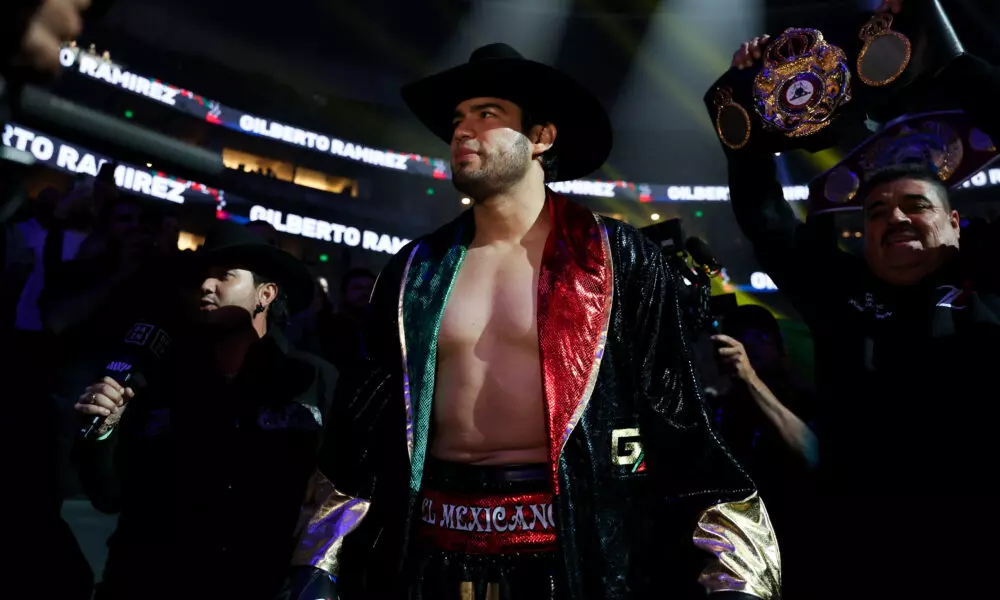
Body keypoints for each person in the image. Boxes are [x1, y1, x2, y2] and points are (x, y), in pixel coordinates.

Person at [285, 43, 780, 600]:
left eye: (487, 114)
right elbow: (360, 434)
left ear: (541, 137)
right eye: (456, 120)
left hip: (572, 556)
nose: (462, 131)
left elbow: (678, 421)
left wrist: (734, 573)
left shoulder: (618, 258)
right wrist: (317, 561)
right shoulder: (412, 272)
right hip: (430, 558)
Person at [726, 0, 1000, 592]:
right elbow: (766, 219)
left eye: (916, 206)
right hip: (857, 548)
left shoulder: (992, 285)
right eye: (876, 211)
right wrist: (749, 114)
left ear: (955, 223)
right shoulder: (841, 293)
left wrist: (948, 62)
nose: (895, 218)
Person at [71, 221, 338, 600]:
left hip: (263, 583)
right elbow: (109, 496)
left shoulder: (313, 381)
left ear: (265, 293)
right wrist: (102, 434)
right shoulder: (157, 379)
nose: (206, 287)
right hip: (153, 581)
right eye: (201, 277)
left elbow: (340, 496)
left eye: (224, 276)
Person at [708, 305, 817, 599]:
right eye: (740, 338)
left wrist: (750, 378)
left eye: (760, 337)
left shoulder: (802, 395)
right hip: (741, 551)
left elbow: (811, 453)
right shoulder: (722, 401)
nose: (751, 346)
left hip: (795, 541)